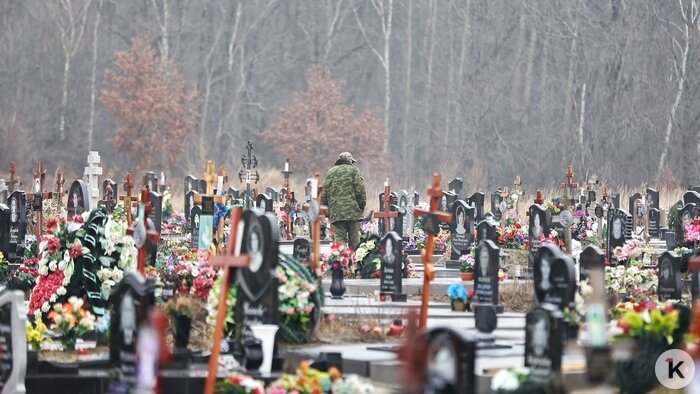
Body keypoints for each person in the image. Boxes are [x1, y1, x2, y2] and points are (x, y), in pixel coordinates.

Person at [321, 152, 366, 248]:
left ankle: (341, 261)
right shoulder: (354, 171)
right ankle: (354, 261)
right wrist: (361, 206)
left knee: (339, 239)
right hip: (353, 212)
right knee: (354, 239)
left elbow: (324, 193)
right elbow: (360, 191)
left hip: (336, 212)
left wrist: (326, 211)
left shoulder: (330, 172)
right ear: (350, 161)